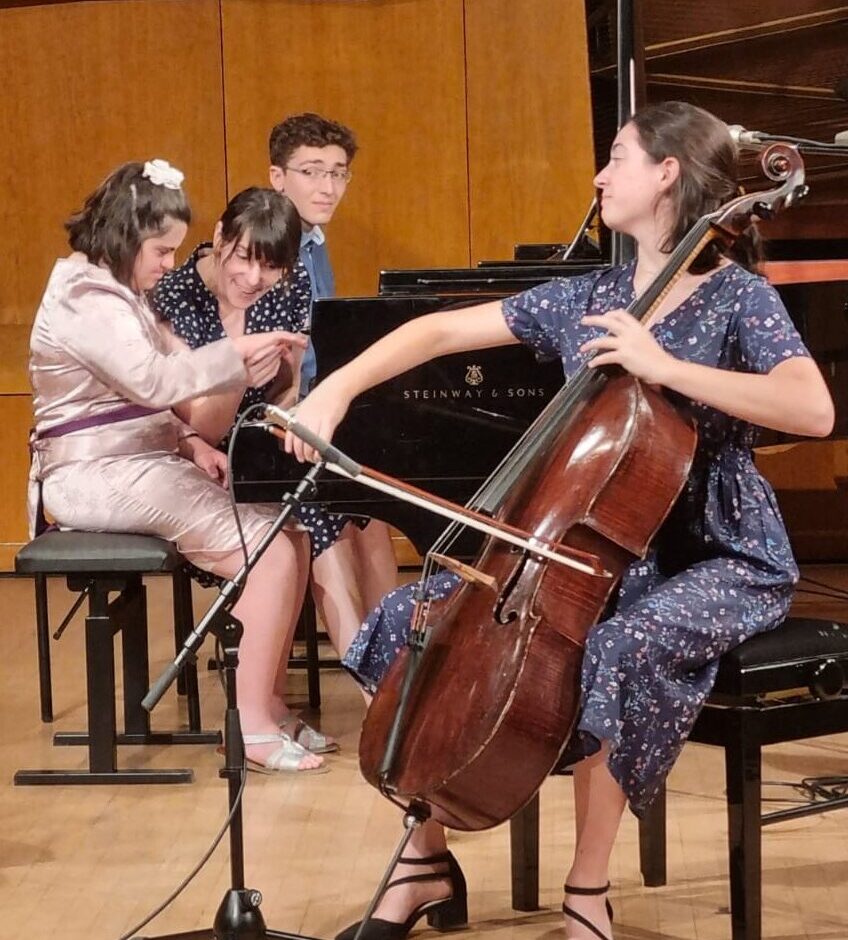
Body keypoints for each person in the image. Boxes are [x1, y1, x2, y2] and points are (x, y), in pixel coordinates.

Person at [286, 101, 836, 940]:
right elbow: (437, 330)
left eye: (617, 157)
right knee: (406, 618)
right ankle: (424, 860)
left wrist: (664, 365)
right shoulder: (595, 294)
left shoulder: (738, 296)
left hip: (718, 553)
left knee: (619, 648)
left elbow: (812, 409)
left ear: (668, 174)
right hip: (601, 548)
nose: (600, 176)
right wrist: (333, 391)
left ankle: (587, 891)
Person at [28, 160, 324, 775]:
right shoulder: (84, 296)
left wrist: (193, 441)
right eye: (161, 249)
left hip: (134, 460)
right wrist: (237, 355)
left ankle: (267, 705)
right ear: (126, 235)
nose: (169, 263)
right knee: (267, 548)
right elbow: (154, 380)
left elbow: (161, 390)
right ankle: (250, 728)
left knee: (289, 532)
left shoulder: (116, 294)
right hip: (92, 473)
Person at [153, 188, 380, 718]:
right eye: (244, 258)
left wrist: (284, 415)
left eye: (271, 267)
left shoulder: (291, 284)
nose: (255, 278)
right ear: (219, 238)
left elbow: (287, 385)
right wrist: (235, 379)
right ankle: (368, 695)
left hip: (258, 440)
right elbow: (197, 422)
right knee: (310, 517)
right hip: (195, 450)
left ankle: (363, 683)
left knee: (343, 502)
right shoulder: (173, 295)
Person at [269, 112, 397, 618]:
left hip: (311, 413)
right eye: (312, 172)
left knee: (373, 507)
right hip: (271, 423)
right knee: (333, 514)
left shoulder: (315, 245)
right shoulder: (268, 249)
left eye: (338, 173)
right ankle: (363, 660)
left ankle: (395, 651)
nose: (328, 187)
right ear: (278, 177)